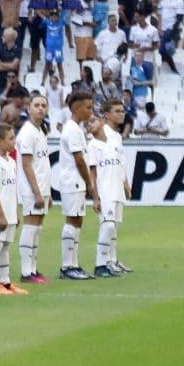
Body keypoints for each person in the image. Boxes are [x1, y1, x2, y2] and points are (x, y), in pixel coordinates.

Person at [54, 89, 97, 280]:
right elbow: (79, 159)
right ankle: (66, 266)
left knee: (77, 220)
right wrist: (90, 183)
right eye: (88, 107)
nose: (91, 111)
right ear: (77, 108)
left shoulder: (75, 128)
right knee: (73, 219)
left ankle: (73, 264)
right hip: (73, 181)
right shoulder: (72, 130)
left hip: (74, 181)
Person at [0, 122, 28, 296]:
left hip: (9, 212)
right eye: (10, 138)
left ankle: (6, 281)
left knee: (6, 246)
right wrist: (0, 215)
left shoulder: (10, 160)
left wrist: (15, 212)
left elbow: (12, 189)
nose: (14, 141)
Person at [90, 98, 133, 276]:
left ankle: (112, 261)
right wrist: (95, 196)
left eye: (122, 111)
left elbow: (120, 163)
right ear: (107, 114)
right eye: (117, 111)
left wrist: (126, 184)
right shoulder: (99, 135)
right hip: (105, 188)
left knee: (113, 226)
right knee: (107, 226)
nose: (121, 114)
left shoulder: (116, 136)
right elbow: (92, 169)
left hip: (116, 187)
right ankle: (101, 264)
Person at [13, 94, 52, 282]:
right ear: (29, 108)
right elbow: (27, 165)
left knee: (37, 228)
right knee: (30, 227)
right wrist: (37, 192)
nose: (40, 108)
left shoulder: (41, 130)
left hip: (42, 188)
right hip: (31, 189)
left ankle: (34, 269)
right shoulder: (27, 132)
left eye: (44, 105)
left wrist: (47, 193)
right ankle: (26, 272)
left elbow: (42, 164)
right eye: (36, 105)